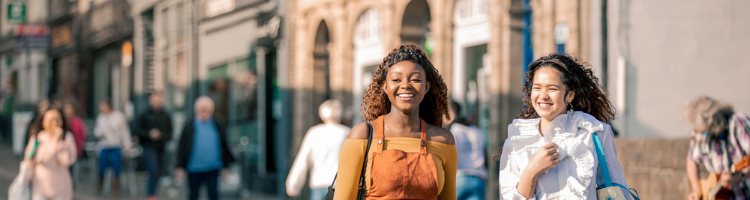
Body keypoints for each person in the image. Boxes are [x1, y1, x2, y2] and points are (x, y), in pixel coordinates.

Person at [333, 43, 457, 200]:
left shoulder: (443, 140)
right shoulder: (363, 135)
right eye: (396, 79)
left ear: (426, 87)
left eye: (415, 79)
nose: (405, 85)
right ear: (385, 86)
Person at [498, 54, 631, 199]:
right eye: (537, 88)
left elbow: (617, 189)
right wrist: (532, 171)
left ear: (570, 95)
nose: (543, 95)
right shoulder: (517, 140)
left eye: (552, 89)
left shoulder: (594, 132)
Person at [684, 96, 750, 200]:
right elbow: (691, 159)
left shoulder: (738, 123)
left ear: (712, 126)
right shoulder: (699, 132)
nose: (697, 135)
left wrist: (741, 175)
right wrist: (697, 189)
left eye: (702, 132)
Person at [286, 99, 351, 200]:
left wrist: (293, 184)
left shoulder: (314, 133)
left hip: (318, 184)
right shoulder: (347, 133)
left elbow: (303, 159)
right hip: (340, 184)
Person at [175, 96, 235, 200]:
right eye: (202, 108)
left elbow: (224, 145)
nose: (204, 111)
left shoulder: (218, 125)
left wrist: (225, 167)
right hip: (194, 168)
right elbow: (182, 147)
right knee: (193, 195)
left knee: (213, 195)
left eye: (207, 108)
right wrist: (180, 166)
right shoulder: (189, 126)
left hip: (213, 167)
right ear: (196, 110)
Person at [24, 109, 77, 200]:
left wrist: (58, 142)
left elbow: (67, 161)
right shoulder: (38, 138)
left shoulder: (67, 137)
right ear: (43, 122)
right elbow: (32, 158)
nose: (54, 123)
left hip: (62, 188)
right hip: (40, 186)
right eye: (50, 120)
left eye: (57, 120)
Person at [445, 101, 487, 200]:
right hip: (478, 178)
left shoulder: (451, 132)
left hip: (458, 178)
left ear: (450, 113)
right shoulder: (477, 131)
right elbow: (485, 157)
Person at [136, 92, 173, 200]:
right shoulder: (144, 115)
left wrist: (161, 136)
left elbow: (170, 131)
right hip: (149, 147)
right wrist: (149, 134)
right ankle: (151, 194)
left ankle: (153, 192)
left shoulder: (165, 115)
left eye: (159, 100)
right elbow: (137, 130)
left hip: (161, 147)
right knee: (153, 169)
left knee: (159, 171)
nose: (157, 102)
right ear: (150, 100)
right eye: (155, 100)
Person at [93, 100, 132, 196]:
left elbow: (124, 131)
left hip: (116, 145)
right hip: (105, 145)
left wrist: (128, 145)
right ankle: (100, 187)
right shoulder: (101, 117)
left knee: (116, 167)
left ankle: (116, 189)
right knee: (102, 167)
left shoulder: (119, 116)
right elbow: (97, 131)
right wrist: (100, 133)